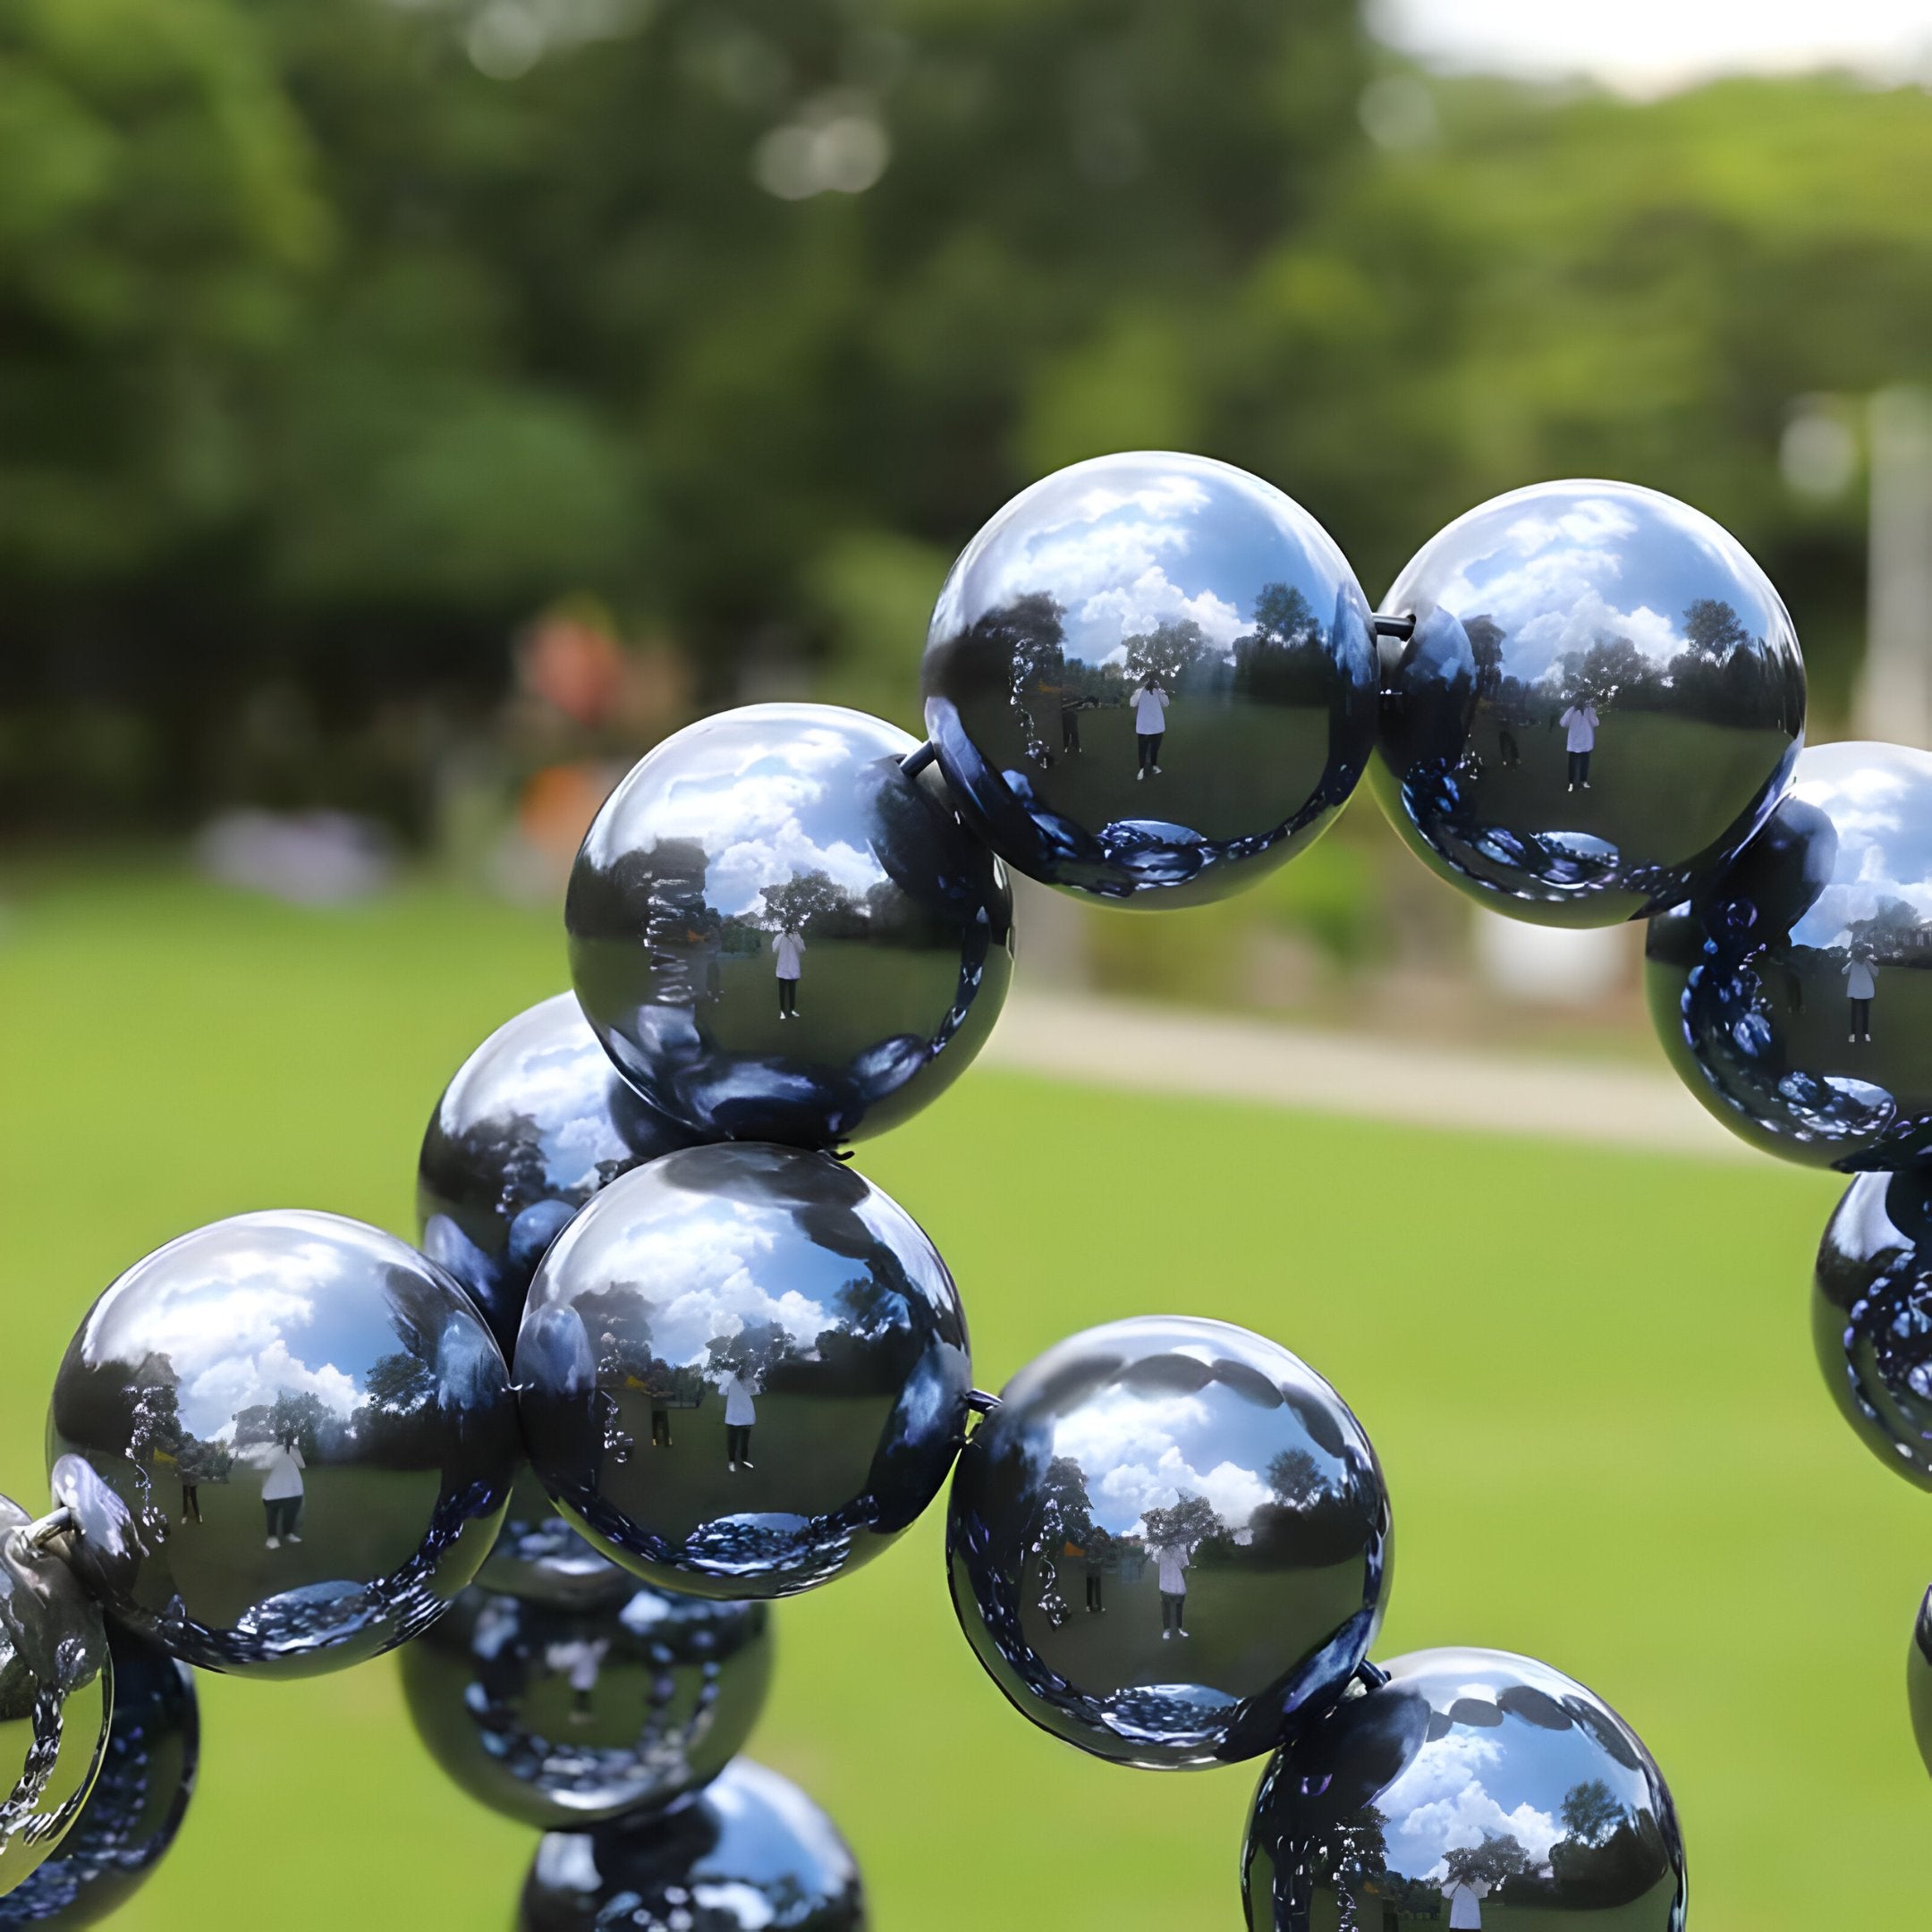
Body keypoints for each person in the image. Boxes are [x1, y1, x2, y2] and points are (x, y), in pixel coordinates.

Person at [261, 1435, 305, 1549]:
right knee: (272, 1515)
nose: (285, 1441)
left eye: (287, 1439)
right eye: (282, 1439)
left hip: (293, 1491)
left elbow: (302, 1464)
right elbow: (268, 1464)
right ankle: (272, 1538)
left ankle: (288, 1533)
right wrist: (280, 1449)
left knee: (290, 1515)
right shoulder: (273, 1451)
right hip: (273, 1491)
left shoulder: (293, 1451)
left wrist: (293, 1450)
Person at [1151, 1535, 1190, 1638]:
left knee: (1178, 1607)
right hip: (1165, 1582)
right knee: (1166, 1607)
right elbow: (1155, 1559)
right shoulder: (1162, 1547)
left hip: (1178, 1583)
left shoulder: (1181, 1546)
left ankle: (1179, 1628)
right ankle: (1167, 1630)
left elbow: (1184, 1564)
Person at [720, 1365, 758, 1470]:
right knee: (744, 1442)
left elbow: (721, 1392)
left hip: (733, 1417)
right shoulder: (750, 1381)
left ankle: (732, 1461)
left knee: (732, 1441)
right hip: (746, 1417)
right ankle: (743, 1460)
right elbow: (755, 1392)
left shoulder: (729, 1380)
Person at [1132, 674, 1169, 778]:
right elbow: (1132, 703)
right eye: (1147, 680)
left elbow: (1166, 703)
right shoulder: (1139, 691)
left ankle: (1154, 766)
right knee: (1142, 750)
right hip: (1143, 727)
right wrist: (1138, 692)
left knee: (1154, 749)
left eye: (1151, 680)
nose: (1149, 682)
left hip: (1157, 727)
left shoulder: (1158, 692)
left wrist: (1161, 690)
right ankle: (1141, 769)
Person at [1560, 699, 1599, 791]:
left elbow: (1595, 723)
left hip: (1586, 743)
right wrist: (1573, 708)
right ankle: (1571, 783)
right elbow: (1563, 723)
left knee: (1584, 765)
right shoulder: (1572, 710)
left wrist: (1589, 709)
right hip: (1574, 744)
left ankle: (1583, 781)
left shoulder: (1590, 710)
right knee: (1572, 765)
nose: (1582, 703)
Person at [1844, 947, 1877, 1043]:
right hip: (1855, 991)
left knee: (1865, 1012)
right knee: (1854, 1013)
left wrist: (1868, 963)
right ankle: (1853, 1034)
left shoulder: (1867, 963)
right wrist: (1851, 962)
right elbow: (1844, 971)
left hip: (1866, 991)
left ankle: (1866, 1033)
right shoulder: (1853, 963)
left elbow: (1876, 973)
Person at [773, 925, 805, 1019]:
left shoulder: (796, 936)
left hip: (792, 969)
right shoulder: (779, 937)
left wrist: (794, 938)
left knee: (792, 992)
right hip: (782, 969)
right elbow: (774, 949)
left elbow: (802, 949)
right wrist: (782, 936)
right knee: (782, 992)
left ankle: (791, 1010)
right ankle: (782, 1011)